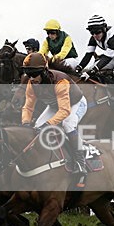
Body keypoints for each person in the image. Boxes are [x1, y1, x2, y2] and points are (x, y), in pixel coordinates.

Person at [21, 52, 89, 186]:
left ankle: (80, 163)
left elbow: (65, 110)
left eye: (34, 74)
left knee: (68, 125)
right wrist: (25, 123)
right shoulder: (31, 83)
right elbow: (28, 107)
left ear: (44, 71)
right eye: (29, 74)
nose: (32, 78)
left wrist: (49, 123)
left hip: (75, 104)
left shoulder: (60, 80)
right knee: (36, 126)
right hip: (54, 105)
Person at [75, 15, 114, 111]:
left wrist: (91, 71)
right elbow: (88, 55)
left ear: (104, 28)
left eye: (98, 32)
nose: (95, 35)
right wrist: (79, 68)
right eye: (92, 32)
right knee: (94, 70)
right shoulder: (93, 38)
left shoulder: (113, 36)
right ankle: (111, 96)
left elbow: (107, 58)